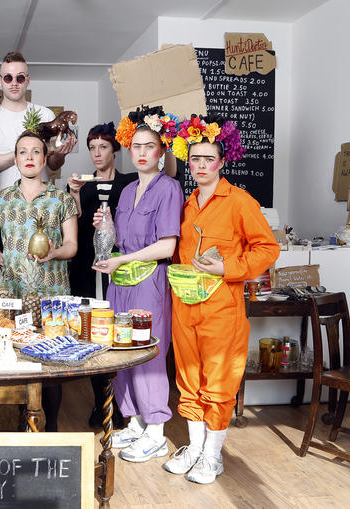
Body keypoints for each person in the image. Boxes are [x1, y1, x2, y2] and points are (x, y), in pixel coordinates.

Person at [163, 115, 279, 483]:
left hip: (222, 309)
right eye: (194, 159)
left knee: (218, 382)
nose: (199, 165)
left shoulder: (240, 201)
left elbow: (268, 249)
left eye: (207, 159)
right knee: (188, 379)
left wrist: (226, 267)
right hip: (184, 306)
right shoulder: (186, 204)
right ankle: (194, 449)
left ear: (221, 162)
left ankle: (212, 456)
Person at [92, 106, 183, 462]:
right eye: (137, 146)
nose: (143, 152)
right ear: (129, 149)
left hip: (150, 282)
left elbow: (166, 246)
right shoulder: (127, 190)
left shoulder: (169, 188)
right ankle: (133, 423)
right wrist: (106, 224)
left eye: (151, 146)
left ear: (161, 151)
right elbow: (121, 239)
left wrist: (121, 260)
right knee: (123, 350)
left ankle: (157, 430)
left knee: (149, 354)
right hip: (121, 282)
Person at [0, 131, 78, 431]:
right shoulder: (1, 200)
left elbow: (72, 246)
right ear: (15, 160)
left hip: (51, 290)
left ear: (45, 159)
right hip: (13, 292)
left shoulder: (60, 199)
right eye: (23, 152)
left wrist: (55, 251)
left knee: (50, 361)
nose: (29, 157)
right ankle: (21, 425)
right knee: (15, 357)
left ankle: (50, 426)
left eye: (35, 152)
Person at [67, 122, 137, 429]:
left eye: (103, 147)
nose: (96, 154)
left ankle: (122, 405)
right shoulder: (83, 185)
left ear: (116, 150)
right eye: (92, 147)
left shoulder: (131, 183)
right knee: (93, 333)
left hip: (121, 270)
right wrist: (74, 197)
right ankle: (100, 403)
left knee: (120, 333)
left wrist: (113, 228)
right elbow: (72, 232)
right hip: (87, 270)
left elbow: (136, 228)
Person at [0, 51, 77, 193]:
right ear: (0, 80)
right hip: (5, 206)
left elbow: (53, 165)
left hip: (42, 204)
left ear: (27, 80)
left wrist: (60, 154)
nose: (14, 83)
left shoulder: (45, 114)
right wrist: (20, 153)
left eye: (20, 78)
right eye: (8, 78)